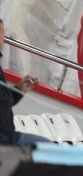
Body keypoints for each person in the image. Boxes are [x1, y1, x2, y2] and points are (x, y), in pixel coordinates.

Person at [0, 18, 51, 147]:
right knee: (49, 149)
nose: (3, 38)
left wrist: (19, 89)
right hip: (5, 143)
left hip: (11, 137)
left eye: (2, 33)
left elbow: (4, 103)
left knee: (50, 147)